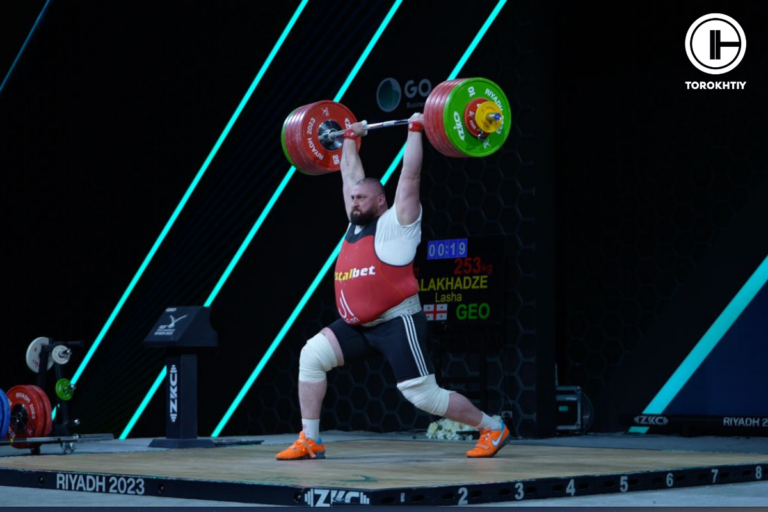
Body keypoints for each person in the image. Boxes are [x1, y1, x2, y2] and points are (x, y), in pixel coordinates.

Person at [276, 112, 510, 461]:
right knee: (311, 356)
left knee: (422, 396)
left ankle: (492, 427)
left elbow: (410, 176)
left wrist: (415, 129)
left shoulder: (399, 224)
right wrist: (350, 140)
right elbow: (349, 174)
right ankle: (310, 440)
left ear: (380, 201)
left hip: (397, 322)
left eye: (361, 199)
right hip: (358, 326)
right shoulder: (355, 222)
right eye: (352, 199)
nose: (353, 202)